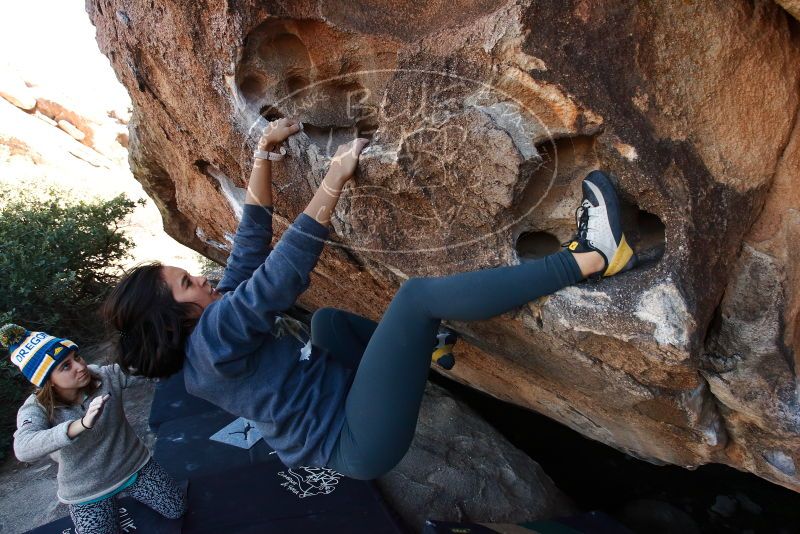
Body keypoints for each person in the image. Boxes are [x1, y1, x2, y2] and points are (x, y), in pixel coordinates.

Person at [103, 118, 635, 480]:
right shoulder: (212, 344)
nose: (202, 278)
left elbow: (250, 243)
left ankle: (424, 350)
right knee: (417, 299)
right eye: (187, 284)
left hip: (344, 403)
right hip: (355, 441)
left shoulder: (211, 326)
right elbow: (280, 274)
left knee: (329, 324)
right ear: (178, 318)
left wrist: (264, 154)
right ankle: (591, 257)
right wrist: (334, 177)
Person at [3, 323, 186, 533]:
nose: (80, 367)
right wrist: (79, 425)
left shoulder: (102, 376)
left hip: (133, 466)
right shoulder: (36, 408)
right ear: (48, 381)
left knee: (177, 509)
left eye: (77, 357)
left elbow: (144, 367)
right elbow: (23, 448)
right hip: (86, 490)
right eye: (65, 366)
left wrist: (157, 336)